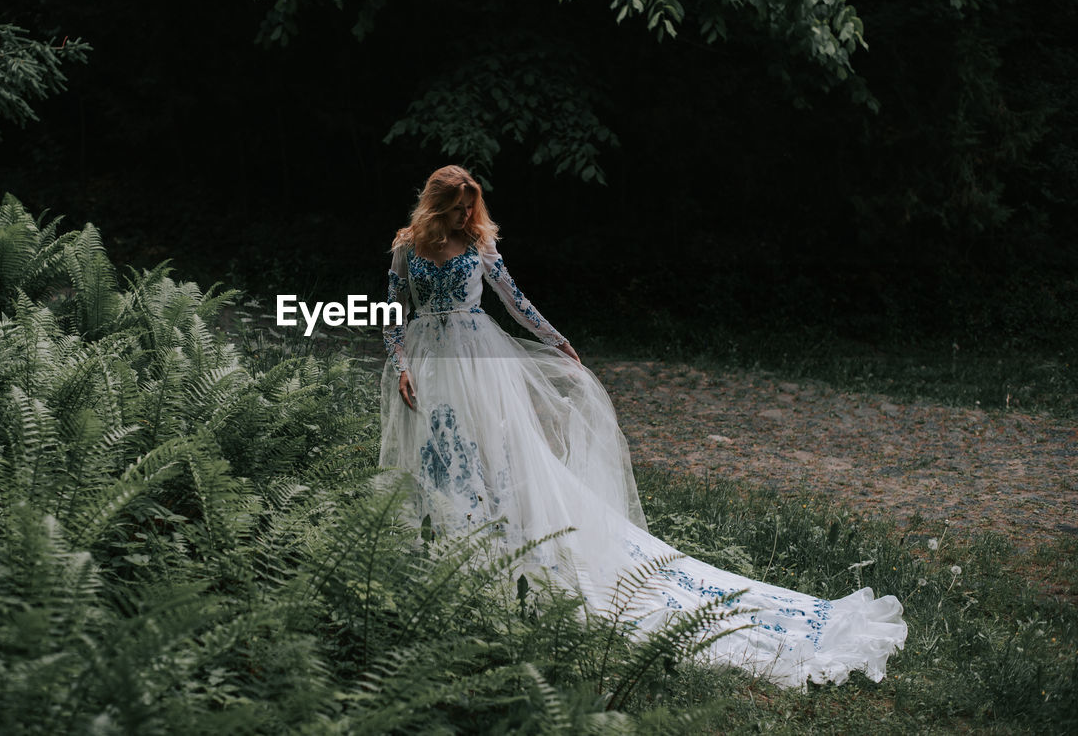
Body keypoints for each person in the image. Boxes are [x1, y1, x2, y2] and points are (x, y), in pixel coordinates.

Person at [380, 165, 906, 689]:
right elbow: (392, 312)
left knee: (495, 456)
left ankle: (502, 552)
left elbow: (515, 299)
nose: (465, 215)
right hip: (431, 362)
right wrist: (401, 362)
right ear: (434, 203)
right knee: (439, 457)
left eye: (470, 206)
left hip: (480, 360)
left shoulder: (479, 245)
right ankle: (446, 558)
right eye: (455, 207)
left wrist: (556, 340)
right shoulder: (408, 247)